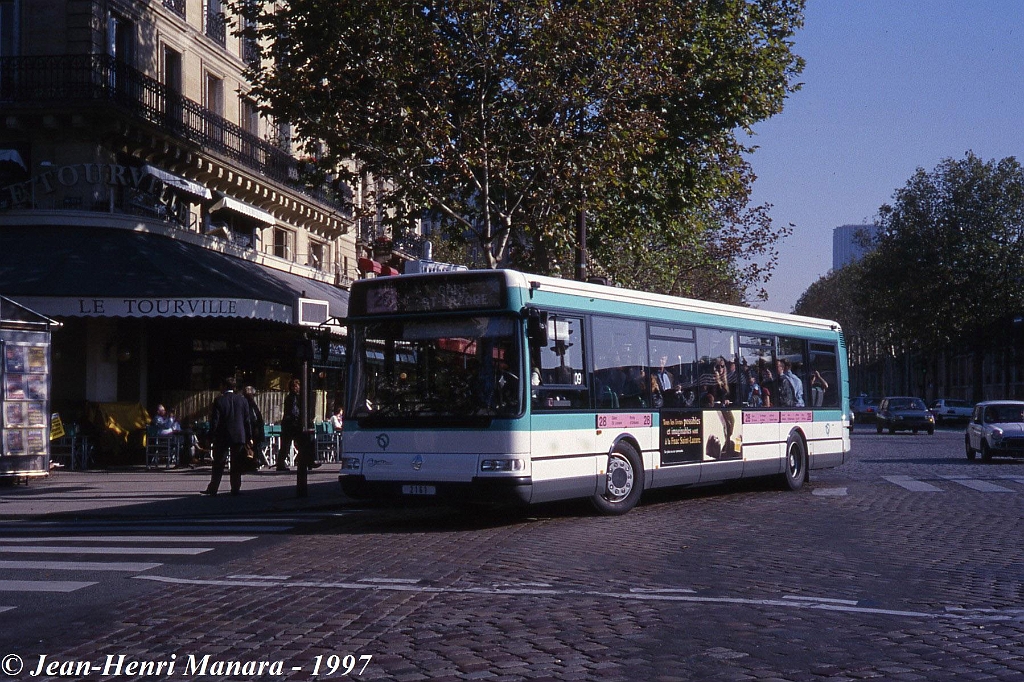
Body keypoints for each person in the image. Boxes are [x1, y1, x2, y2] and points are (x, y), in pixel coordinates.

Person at [202, 376, 252, 496]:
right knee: (236, 463)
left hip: (223, 435)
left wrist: (210, 436)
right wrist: (249, 436)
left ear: (224, 386)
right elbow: (247, 420)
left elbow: (215, 422)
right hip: (239, 435)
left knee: (219, 462)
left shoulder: (219, 400)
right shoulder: (242, 400)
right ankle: (235, 487)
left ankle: (213, 487)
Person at [244, 385, 268, 469]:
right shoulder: (248, 404)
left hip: (255, 429)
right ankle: (252, 462)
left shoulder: (251, 404)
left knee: (254, 447)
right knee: (251, 447)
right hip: (251, 429)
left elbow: (256, 417)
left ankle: (254, 462)